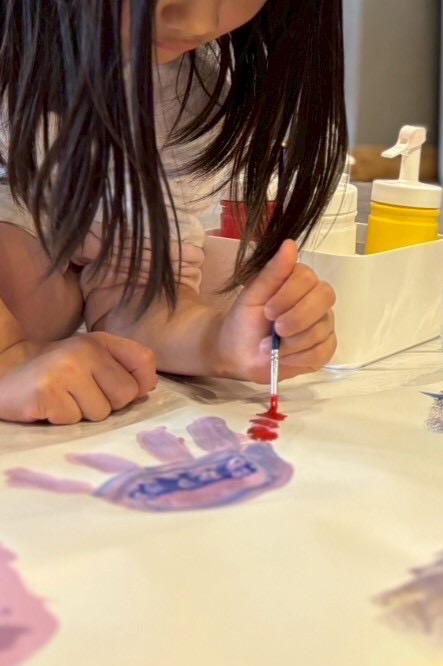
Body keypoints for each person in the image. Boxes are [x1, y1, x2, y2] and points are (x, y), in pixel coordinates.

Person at [0, 0, 346, 424]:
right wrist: (7, 359)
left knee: (41, 291)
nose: (198, 23)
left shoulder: (177, 90)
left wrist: (219, 343)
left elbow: (137, 287)